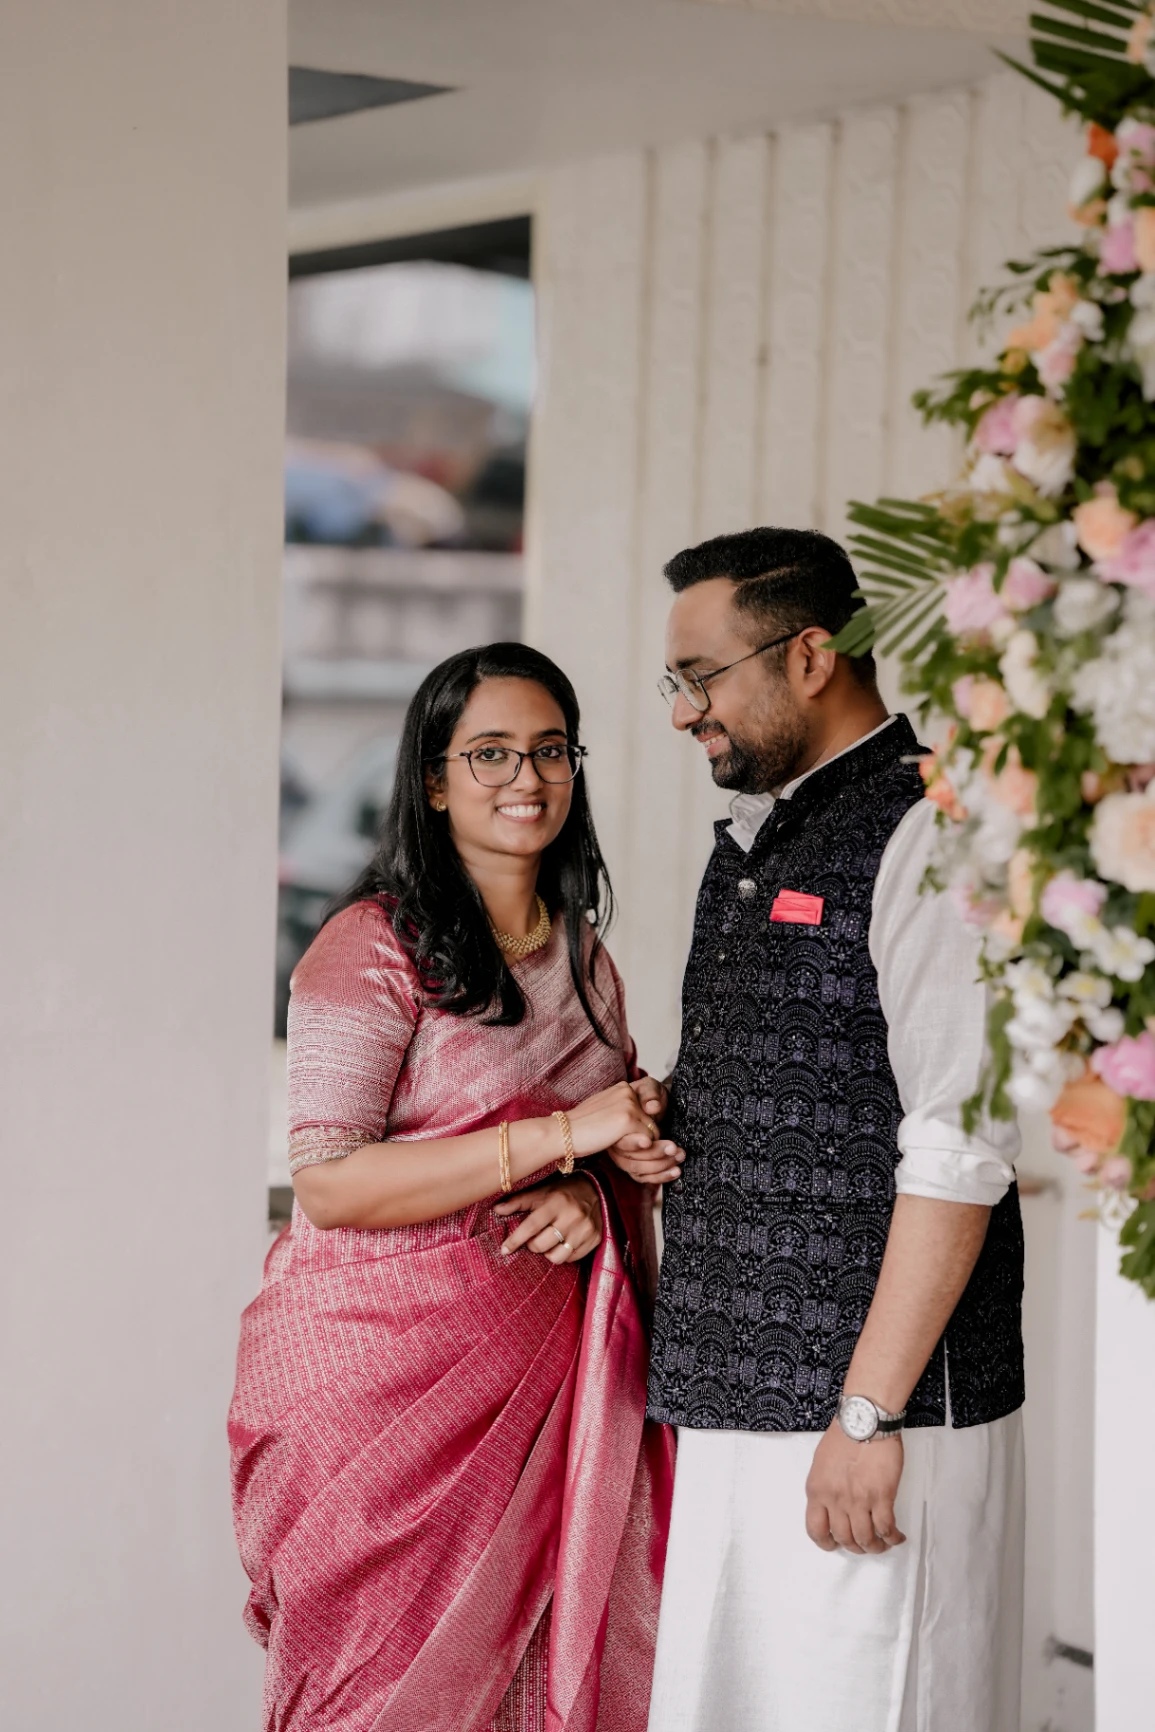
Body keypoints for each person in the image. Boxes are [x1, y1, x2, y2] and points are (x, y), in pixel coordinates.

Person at [612, 530, 1024, 1732]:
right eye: (674, 683)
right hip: (737, 1403)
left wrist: (867, 1414)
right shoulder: (756, 835)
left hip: (869, 1424)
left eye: (701, 675)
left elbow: (959, 1144)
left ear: (807, 657)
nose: (684, 713)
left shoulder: (931, 829)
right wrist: (667, 1116)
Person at [230, 643, 680, 1732]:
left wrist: (593, 1188)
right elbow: (330, 1182)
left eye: (549, 751)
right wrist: (565, 1135)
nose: (525, 779)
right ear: (433, 780)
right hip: (374, 1397)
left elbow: (610, 1157)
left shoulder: (583, 962)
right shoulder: (369, 948)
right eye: (489, 754)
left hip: (545, 1405)